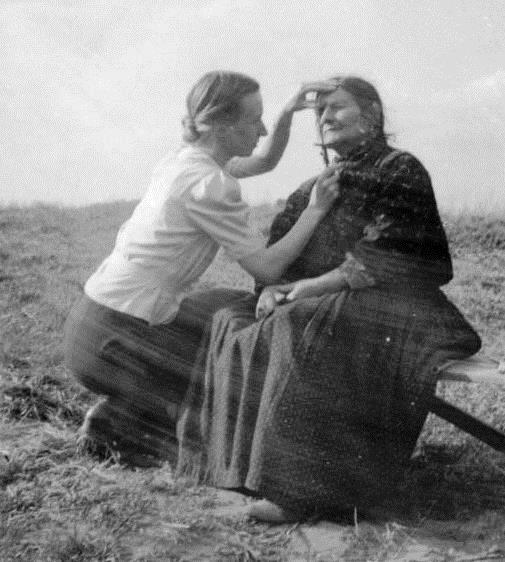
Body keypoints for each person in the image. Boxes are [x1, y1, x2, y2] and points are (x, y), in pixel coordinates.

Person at [176, 75, 481, 521]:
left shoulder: (400, 168)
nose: (325, 117)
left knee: (311, 321)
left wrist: (307, 290)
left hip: (399, 306)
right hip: (330, 302)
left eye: (337, 107)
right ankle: (232, 468)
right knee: (227, 314)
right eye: (319, 112)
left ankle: (299, 493)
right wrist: (271, 290)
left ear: (372, 114)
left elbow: (398, 255)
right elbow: (283, 248)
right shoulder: (315, 185)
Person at [63, 71, 340, 465]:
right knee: (220, 363)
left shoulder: (185, 160)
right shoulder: (210, 184)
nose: (262, 130)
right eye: (253, 121)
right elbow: (267, 269)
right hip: (113, 342)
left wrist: (289, 111)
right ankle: (120, 419)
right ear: (223, 127)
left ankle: (132, 410)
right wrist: (315, 209)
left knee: (228, 307)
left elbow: (264, 160)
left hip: (92, 324)